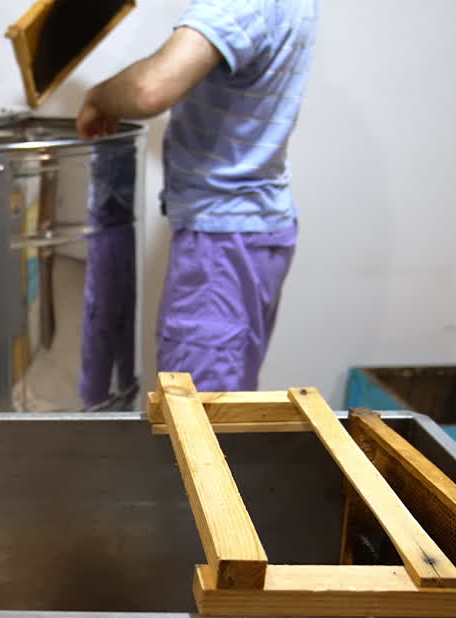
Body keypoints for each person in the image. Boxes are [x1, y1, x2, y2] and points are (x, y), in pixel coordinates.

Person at [78, 0, 320, 391]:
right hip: (251, 233)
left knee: (197, 423)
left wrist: (97, 97)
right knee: (224, 408)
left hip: (221, 248)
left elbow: (150, 89)